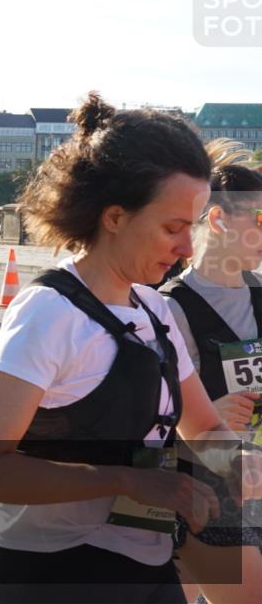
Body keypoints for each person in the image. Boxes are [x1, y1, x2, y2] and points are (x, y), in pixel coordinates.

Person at [0, 94, 262, 603]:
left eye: (193, 225)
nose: (188, 248)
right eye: (173, 228)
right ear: (115, 217)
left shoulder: (153, 308)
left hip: (147, 566)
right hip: (49, 577)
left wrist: (236, 462)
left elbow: (204, 426)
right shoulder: (50, 312)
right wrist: (128, 481)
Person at [158, 143, 262, 604]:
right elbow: (142, 426)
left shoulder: (260, 293)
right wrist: (203, 417)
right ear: (218, 221)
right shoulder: (170, 309)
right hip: (205, 492)